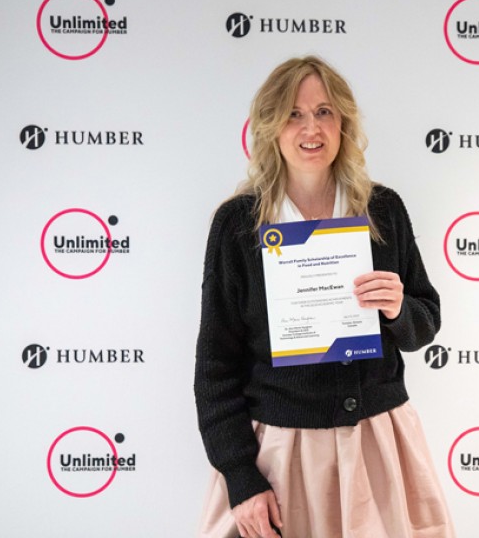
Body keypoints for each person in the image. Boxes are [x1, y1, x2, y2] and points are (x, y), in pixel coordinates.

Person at [194, 56, 455, 538]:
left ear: (344, 124)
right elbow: (214, 369)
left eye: (324, 112)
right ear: (271, 126)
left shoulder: (382, 209)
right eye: (294, 113)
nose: (311, 127)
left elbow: (426, 321)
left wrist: (399, 310)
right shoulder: (238, 226)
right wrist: (241, 478)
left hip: (378, 444)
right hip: (281, 453)